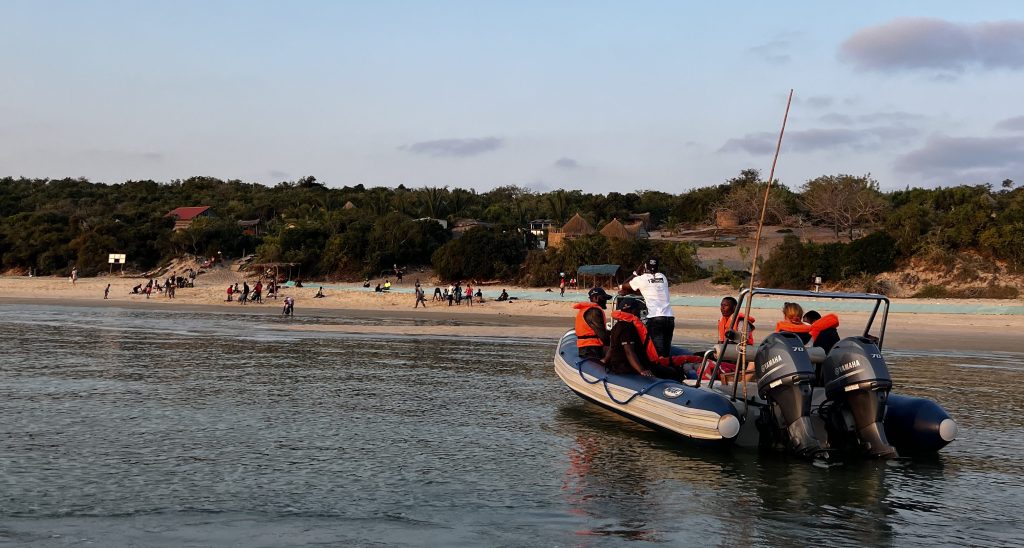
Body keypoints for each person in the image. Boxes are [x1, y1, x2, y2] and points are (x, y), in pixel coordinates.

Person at [601, 299, 688, 381]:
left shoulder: (617, 326)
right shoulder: (627, 327)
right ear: (632, 310)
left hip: (621, 365)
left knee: (668, 369)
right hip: (626, 367)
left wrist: (605, 360)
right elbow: (629, 352)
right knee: (675, 372)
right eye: (638, 310)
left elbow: (612, 347)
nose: (639, 312)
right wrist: (642, 370)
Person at [619, 258, 674, 357]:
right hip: (669, 318)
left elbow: (622, 286)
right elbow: (650, 289)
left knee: (657, 353)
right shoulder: (663, 277)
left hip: (656, 319)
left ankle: (658, 370)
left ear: (644, 267)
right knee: (666, 352)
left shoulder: (641, 279)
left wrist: (635, 273)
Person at [574, 287, 611, 360]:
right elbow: (602, 335)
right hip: (591, 348)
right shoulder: (593, 312)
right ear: (595, 298)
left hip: (587, 347)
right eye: (603, 298)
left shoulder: (587, 310)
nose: (605, 301)